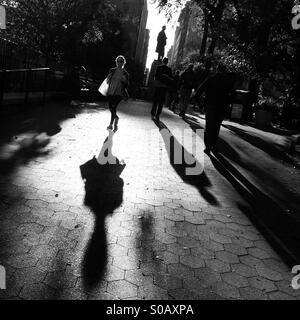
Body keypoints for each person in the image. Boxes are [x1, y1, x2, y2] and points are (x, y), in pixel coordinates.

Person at [195, 64, 236, 155]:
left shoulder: (211, 79)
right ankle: (213, 144)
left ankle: (208, 147)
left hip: (210, 106)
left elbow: (198, 92)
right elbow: (233, 95)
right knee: (216, 126)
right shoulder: (228, 81)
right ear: (225, 70)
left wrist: (200, 104)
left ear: (217, 69)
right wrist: (228, 103)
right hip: (221, 106)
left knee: (209, 126)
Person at [106, 55, 129, 131]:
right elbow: (107, 81)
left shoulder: (125, 73)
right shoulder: (112, 70)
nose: (119, 63)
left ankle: (110, 124)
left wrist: (124, 81)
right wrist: (108, 78)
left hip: (118, 93)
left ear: (123, 63)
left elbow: (126, 85)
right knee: (110, 108)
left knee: (113, 107)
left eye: (121, 61)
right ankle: (116, 117)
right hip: (110, 92)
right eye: (118, 61)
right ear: (116, 62)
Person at [151, 57, 173, 121]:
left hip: (158, 86)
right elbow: (170, 78)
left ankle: (153, 114)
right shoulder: (169, 69)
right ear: (167, 62)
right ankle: (158, 115)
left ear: (162, 61)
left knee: (155, 101)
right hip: (164, 87)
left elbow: (156, 76)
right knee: (161, 102)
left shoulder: (159, 67)